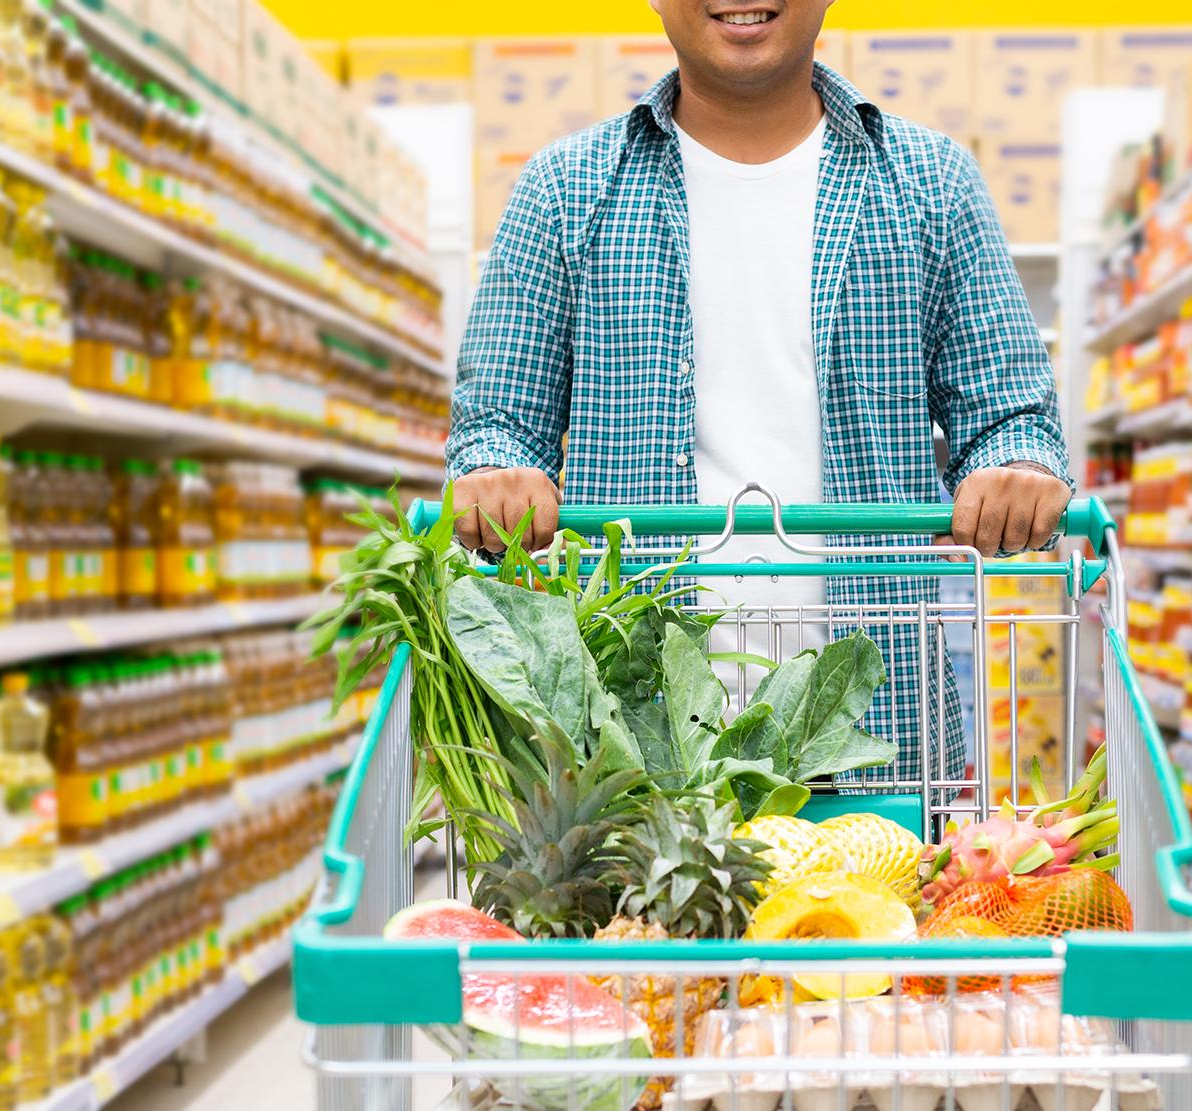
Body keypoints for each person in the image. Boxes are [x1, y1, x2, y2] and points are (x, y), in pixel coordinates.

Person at [447, 0, 1071, 783]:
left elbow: (1012, 417)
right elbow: (495, 429)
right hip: (631, 754)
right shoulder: (565, 191)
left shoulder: (931, 184)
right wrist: (497, 475)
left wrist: (1016, 469)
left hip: (879, 741)